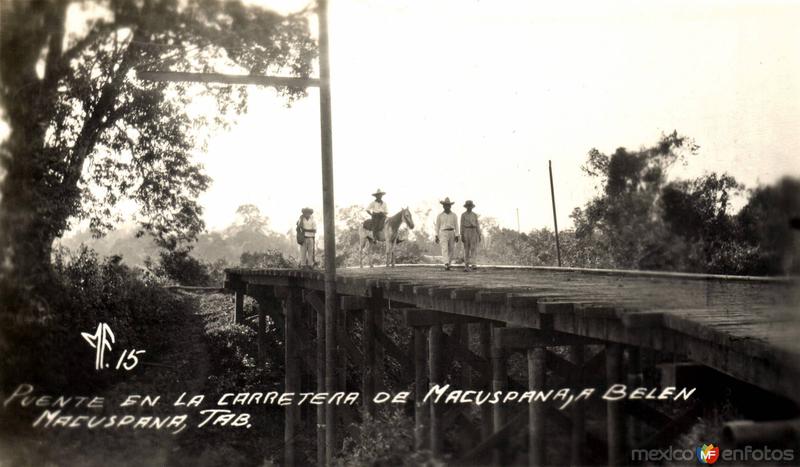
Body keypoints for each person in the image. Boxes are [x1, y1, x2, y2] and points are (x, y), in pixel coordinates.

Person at [434, 197, 459, 270]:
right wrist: (436, 235)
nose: (447, 207)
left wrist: (457, 235)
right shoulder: (440, 215)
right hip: (443, 232)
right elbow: (437, 226)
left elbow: (456, 225)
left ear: (450, 206)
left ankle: (449, 264)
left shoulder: (454, 215)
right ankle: (446, 263)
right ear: (443, 206)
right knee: (444, 248)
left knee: (451, 248)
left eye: (448, 205)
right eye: (445, 205)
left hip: (452, 232)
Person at [460, 200, 482, 272]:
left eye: (470, 206)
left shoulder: (474, 215)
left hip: (473, 231)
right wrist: (462, 234)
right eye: (468, 206)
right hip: (466, 231)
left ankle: (474, 264)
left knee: (473, 248)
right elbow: (461, 225)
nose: (469, 207)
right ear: (466, 207)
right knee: (466, 249)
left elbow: (477, 225)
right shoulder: (463, 215)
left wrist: (479, 234)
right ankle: (466, 265)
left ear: (472, 207)